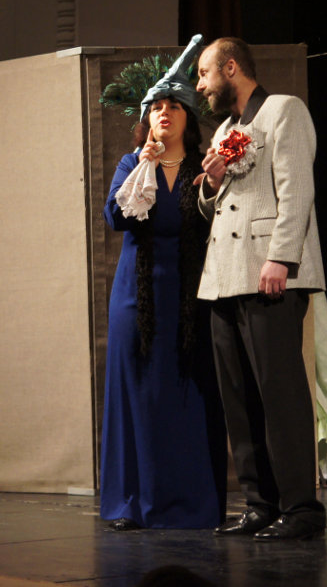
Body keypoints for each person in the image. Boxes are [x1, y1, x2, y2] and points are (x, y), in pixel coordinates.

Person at [195, 37, 327, 540]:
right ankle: (260, 504)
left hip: (267, 271)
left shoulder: (282, 111)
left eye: (205, 74)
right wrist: (211, 184)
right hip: (225, 276)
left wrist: (281, 257)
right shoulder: (227, 129)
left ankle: (301, 509)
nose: (201, 86)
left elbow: (297, 189)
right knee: (240, 398)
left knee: (280, 393)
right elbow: (217, 205)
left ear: (231, 68)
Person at [101, 35, 227, 530]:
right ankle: (131, 502)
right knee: (138, 399)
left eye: (174, 106)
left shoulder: (204, 167)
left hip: (193, 300)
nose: (165, 113)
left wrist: (215, 183)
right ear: (146, 119)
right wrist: (146, 165)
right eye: (157, 107)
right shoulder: (132, 165)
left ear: (188, 118)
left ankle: (192, 503)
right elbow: (117, 216)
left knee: (188, 399)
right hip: (138, 300)